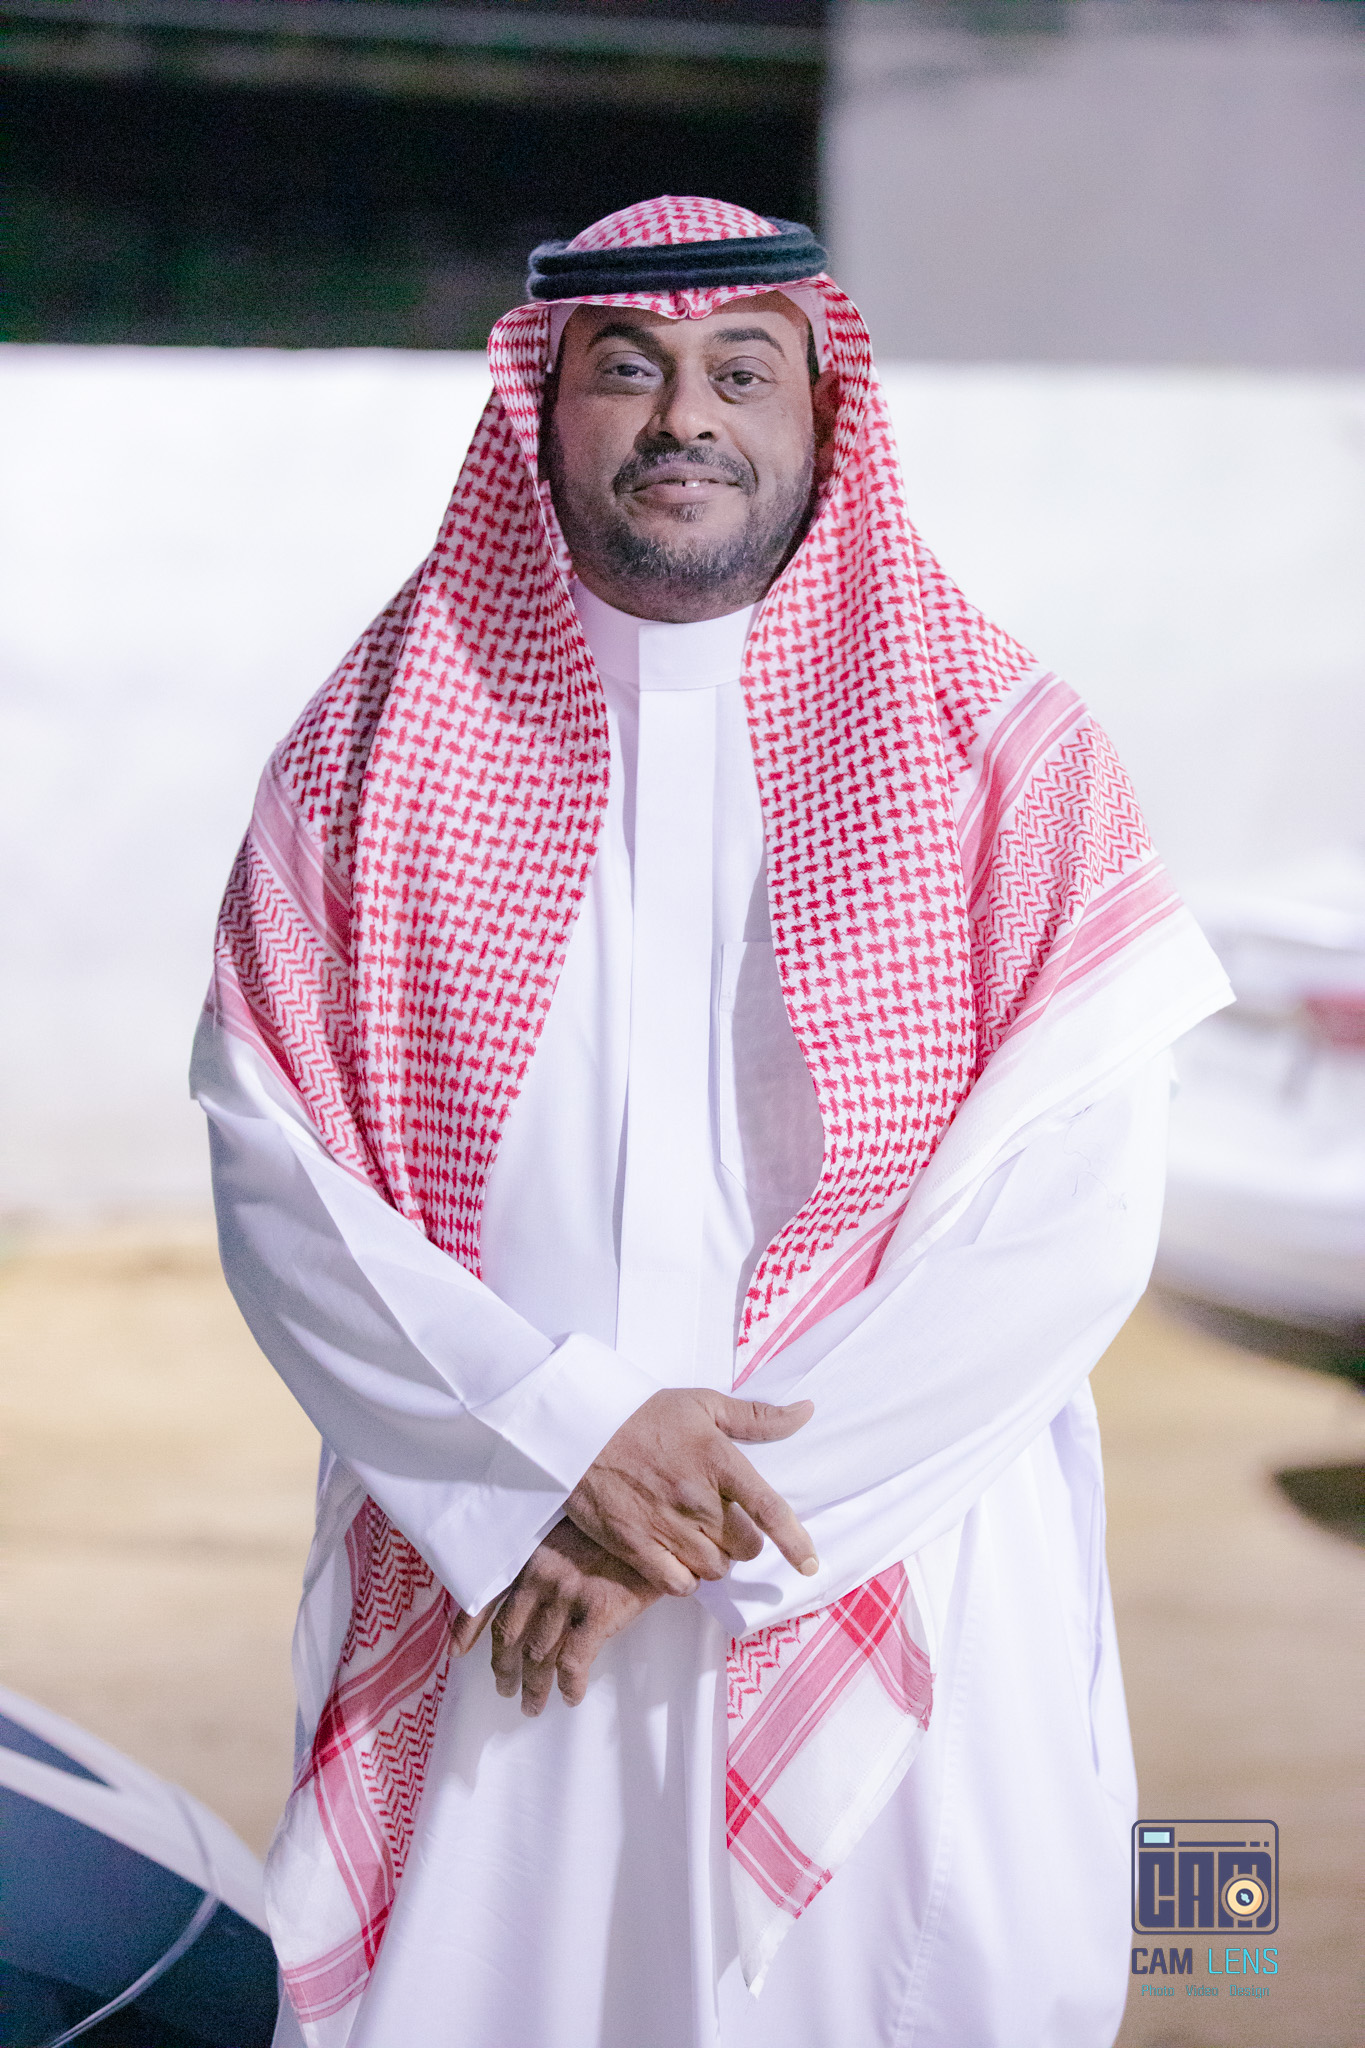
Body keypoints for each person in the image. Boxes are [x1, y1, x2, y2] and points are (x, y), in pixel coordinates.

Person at [193, 197, 1230, 2048]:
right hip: (496, 1581)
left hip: (881, 1561)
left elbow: (1070, 1214)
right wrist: (546, 1454)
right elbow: (280, 1178)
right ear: (543, 409)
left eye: (740, 371)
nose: (686, 415)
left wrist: (665, 1519)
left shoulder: (1002, 747)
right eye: (629, 368)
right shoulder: (365, 753)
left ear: (823, 412)